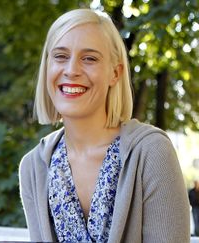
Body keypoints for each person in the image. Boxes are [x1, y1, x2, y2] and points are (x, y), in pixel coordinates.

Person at [18, 8, 189, 243]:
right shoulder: (34, 167)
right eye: (60, 56)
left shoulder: (151, 153)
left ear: (115, 73)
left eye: (89, 58)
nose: (71, 70)